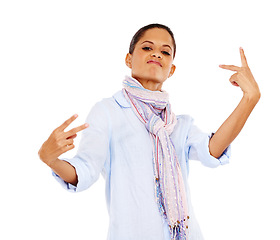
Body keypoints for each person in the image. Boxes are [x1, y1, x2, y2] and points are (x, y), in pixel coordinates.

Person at [38, 23, 260, 240]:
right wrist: (50, 159)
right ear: (128, 59)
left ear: (171, 69)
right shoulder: (108, 112)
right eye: (147, 48)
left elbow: (211, 150)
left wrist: (249, 99)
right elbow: (84, 170)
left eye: (165, 51)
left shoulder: (179, 125)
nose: (157, 54)